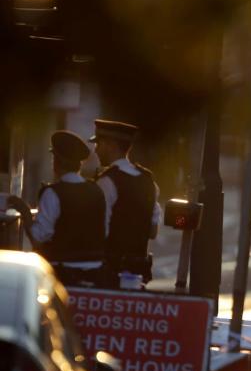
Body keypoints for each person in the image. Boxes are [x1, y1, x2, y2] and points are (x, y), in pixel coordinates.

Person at [8, 130, 107, 286]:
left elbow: (38, 239)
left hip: (63, 272)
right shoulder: (96, 191)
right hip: (95, 271)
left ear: (56, 161)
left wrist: (24, 210)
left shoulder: (53, 193)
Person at [90, 119, 162, 286]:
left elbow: (100, 231)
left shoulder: (107, 181)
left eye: (98, 144)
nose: (96, 150)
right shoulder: (148, 181)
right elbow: (152, 232)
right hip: (138, 272)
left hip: (110, 271)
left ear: (111, 145)